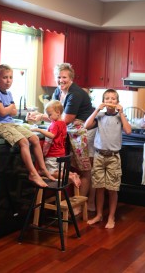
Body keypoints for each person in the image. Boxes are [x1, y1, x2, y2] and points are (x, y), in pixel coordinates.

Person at [27, 63, 94, 206]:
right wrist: (37, 115)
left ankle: (79, 206)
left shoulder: (75, 94)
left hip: (82, 132)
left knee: (84, 168)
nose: (61, 80)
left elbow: (65, 119)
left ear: (71, 79)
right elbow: (52, 112)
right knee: (71, 168)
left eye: (64, 77)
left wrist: (41, 117)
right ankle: (70, 203)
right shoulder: (58, 91)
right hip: (67, 131)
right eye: (58, 77)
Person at [0, 64, 55, 188]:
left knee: (34, 138)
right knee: (24, 142)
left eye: (10, 77)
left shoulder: (9, 93)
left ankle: (43, 169)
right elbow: (3, 112)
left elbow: (13, 112)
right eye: (5, 77)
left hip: (9, 123)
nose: (8, 80)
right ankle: (33, 173)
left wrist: (7, 109)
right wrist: (8, 108)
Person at [84, 89, 132, 229]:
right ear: (103, 101)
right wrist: (96, 110)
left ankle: (111, 217)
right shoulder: (99, 116)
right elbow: (86, 126)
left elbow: (128, 130)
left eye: (113, 99)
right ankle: (99, 215)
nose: (110, 101)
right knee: (99, 187)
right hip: (99, 156)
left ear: (117, 102)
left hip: (113, 157)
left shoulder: (120, 117)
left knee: (112, 189)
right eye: (107, 98)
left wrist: (121, 112)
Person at [31, 99, 81, 188]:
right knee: (59, 172)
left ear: (58, 112)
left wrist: (39, 130)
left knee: (51, 173)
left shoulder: (55, 124)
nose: (49, 117)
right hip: (61, 153)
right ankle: (72, 174)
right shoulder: (62, 123)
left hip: (53, 154)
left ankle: (70, 176)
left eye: (50, 114)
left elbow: (52, 135)